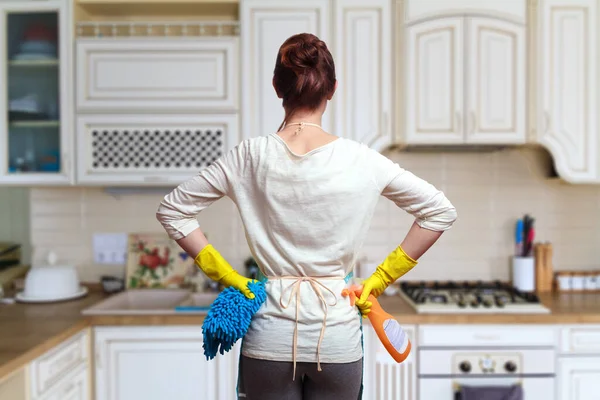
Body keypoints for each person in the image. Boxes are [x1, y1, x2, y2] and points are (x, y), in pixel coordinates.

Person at [156, 33, 457, 400]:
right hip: (337, 338)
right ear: (331, 89)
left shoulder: (249, 156)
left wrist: (231, 278)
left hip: (268, 335)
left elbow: (173, 210)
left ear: (276, 87)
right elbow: (439, 212)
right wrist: (378, 280)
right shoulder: (363, 159)